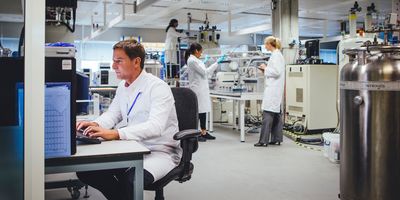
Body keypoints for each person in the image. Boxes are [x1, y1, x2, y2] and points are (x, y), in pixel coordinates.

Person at [76, 39, 181, 200]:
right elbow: (113, 114)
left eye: (118, 61)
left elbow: (156, 127)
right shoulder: (123, 86)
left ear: (136, 62)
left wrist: (116, 133)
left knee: (131, 181)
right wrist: (95, 124)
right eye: (113, 61)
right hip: (132, 147)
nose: (113, 66)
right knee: (87, 170)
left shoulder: (157, 87)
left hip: (159, 152)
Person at [185, 42, 225, 141]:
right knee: (198, 112)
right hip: (198, 90)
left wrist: (204, 62)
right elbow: (205, 72)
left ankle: (203, 132)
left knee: (203, 111)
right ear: (196, 51)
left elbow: (203, 71)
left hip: (202, 89)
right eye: (201, 52)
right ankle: (195, 134)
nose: (201, 54)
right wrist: (217, 63)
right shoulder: (192, 61)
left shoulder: (196, 60)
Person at [254, 36, 285, 147]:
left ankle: (263, 141)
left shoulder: (276, 55)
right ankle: (277, 138)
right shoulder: (276, 55)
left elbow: (276, 72)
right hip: (275, 89)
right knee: (276, 115)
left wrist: (265, 68)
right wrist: (266, 69)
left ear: (269, 44)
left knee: (267, 115)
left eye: (265, 44)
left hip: (273, 90)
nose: (265, 46)